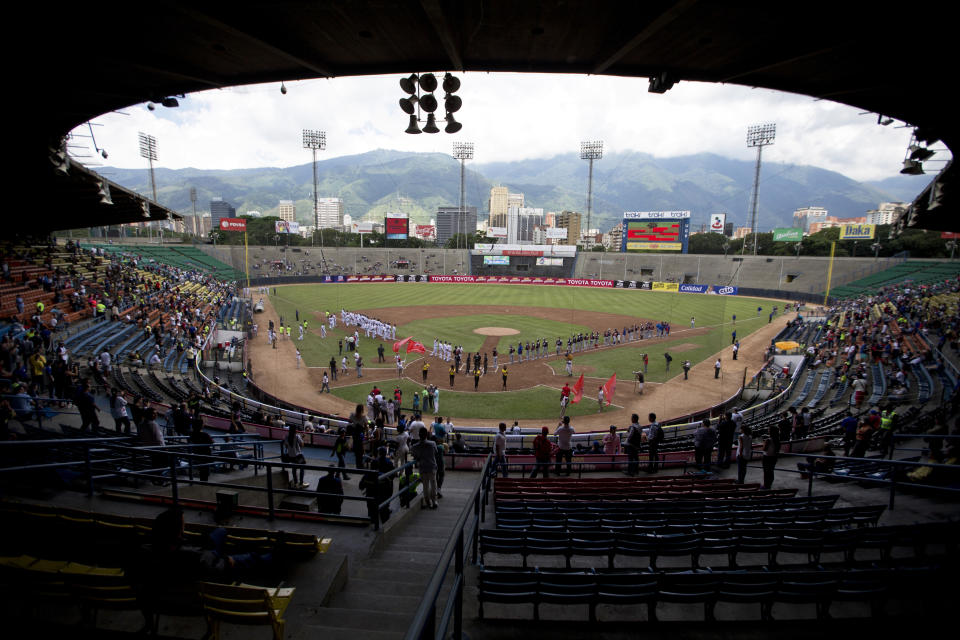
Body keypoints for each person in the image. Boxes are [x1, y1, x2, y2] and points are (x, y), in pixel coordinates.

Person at [411, 427, 439, 509]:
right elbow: (436, 453)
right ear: (427, 435)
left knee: (425, 486)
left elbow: (415, 456)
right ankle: (434, 501)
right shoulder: (432, 443)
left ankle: (428, 502)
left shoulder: (415, 446)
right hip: (432, 467)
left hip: (422, 467)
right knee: (433, 485)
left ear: (419, 435)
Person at [761, 423, 780, 489]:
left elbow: (764, 449)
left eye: (769, 430)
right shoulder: (777, 439)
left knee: (766, 472)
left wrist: (764, 443)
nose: (768, 430)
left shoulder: (768, 440)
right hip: (774, 457)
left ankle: (766, 485)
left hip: (767, 457)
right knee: (771, 471)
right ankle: (769, 484)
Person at [349, 405, 367, 469]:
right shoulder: (364, 417)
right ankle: (360, 465)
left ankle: (358, 465)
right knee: (360, 451)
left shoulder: (352, 415)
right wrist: (367, 434)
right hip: (360, 435)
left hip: (355, 435)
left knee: (357, 451)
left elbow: (350, 421)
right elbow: (366, 427)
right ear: (362, 410)